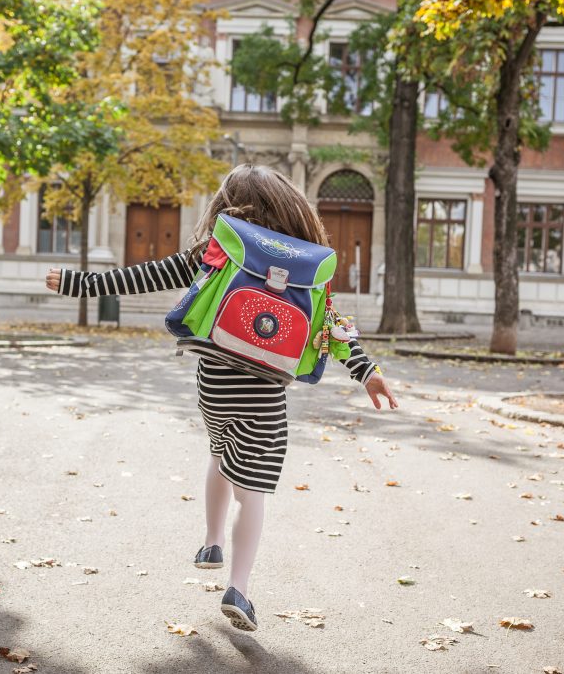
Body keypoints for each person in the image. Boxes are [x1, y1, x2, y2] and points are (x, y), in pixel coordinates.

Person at [45, 164, 398, 632]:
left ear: (228, 202)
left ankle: (211, 541)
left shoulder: (221, 249)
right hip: (265, 391)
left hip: (213, 383)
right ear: (291, 207)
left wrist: (77, 283)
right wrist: (365, 370)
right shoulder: (308, 265)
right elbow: (333, 323)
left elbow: (148, 275)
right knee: (252, 492)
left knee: (219, 451)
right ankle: (240, 590)